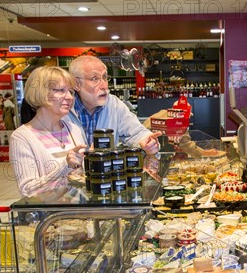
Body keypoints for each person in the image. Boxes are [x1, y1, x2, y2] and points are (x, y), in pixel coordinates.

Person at [10, 66, 87, 197]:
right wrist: (65, 167)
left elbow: (81, 178)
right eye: (61, 90)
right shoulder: (21, 137)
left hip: (77, 213)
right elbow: (27, 190)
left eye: (70, 92)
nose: (69, 97)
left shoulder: (74, 129)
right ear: (41, 93)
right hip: (49, 216)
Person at [67, 55, 161, 154]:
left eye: (105, 77)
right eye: (94, 78)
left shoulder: (114, 105)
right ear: (76, 84)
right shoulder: (62, 110)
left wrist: (148, 141)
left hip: (105, 168)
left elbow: (136, 132)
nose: (104, 86)